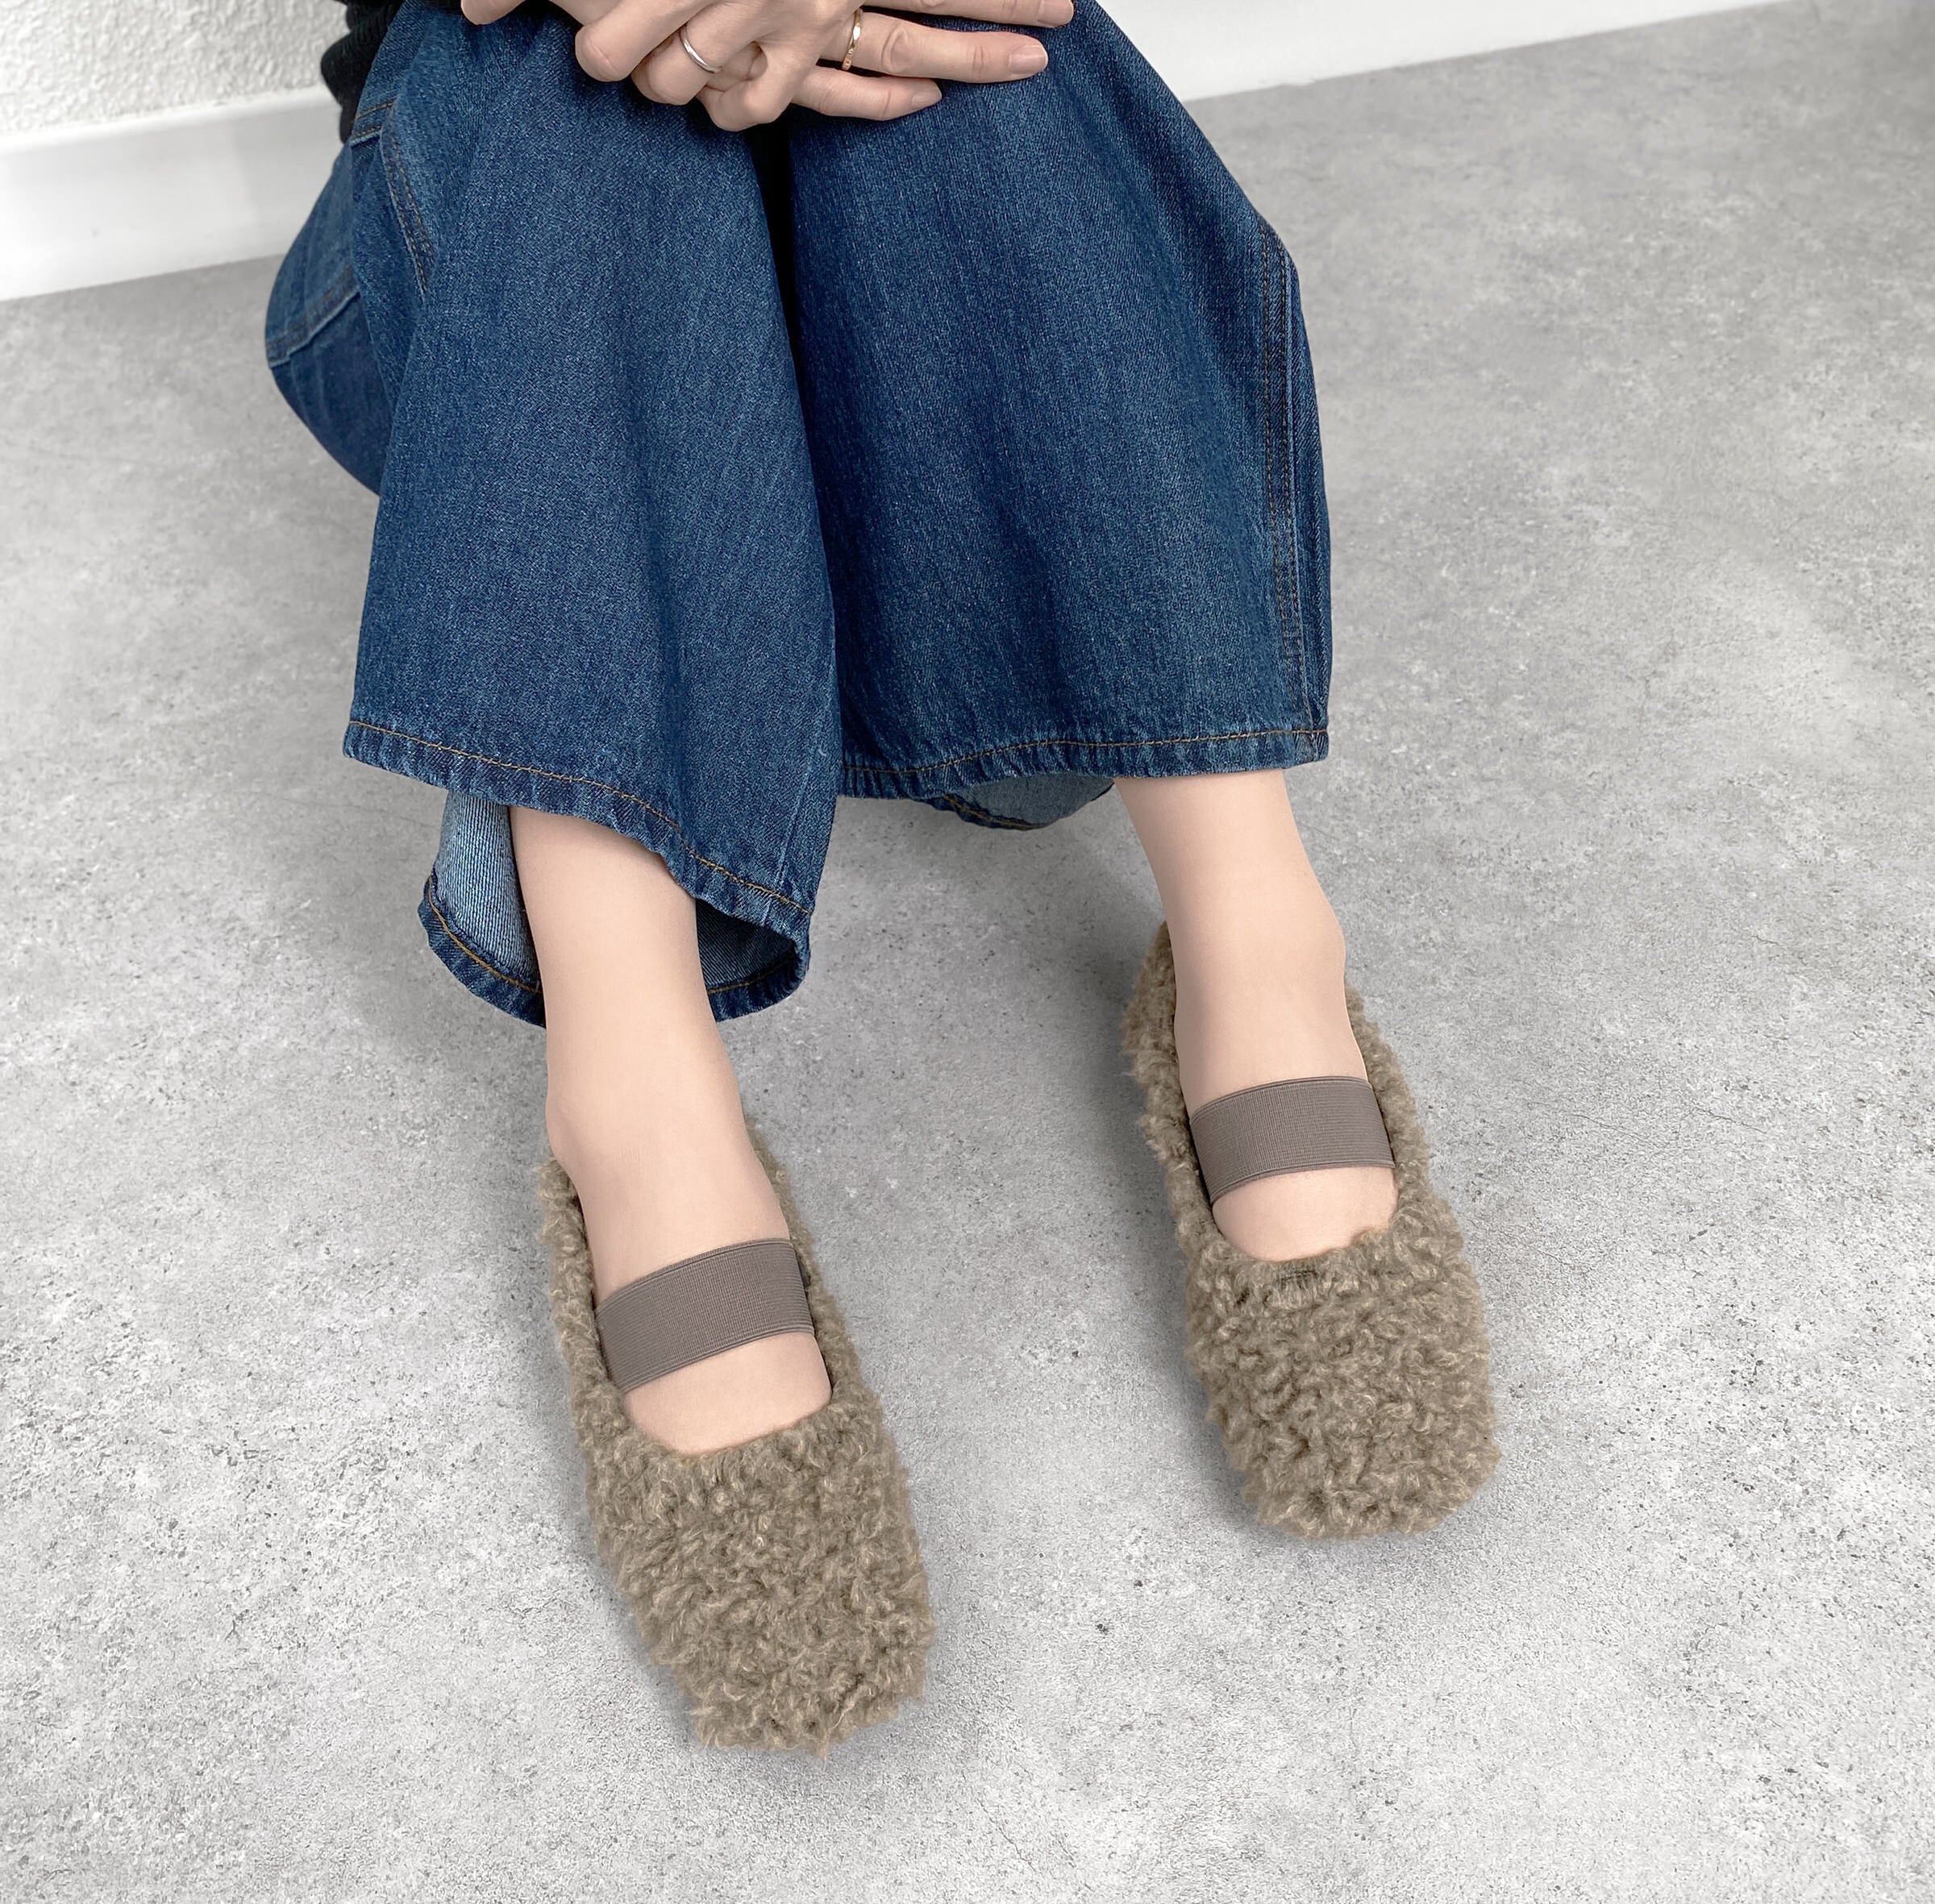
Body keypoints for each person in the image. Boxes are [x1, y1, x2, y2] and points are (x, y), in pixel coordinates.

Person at [268, 0, 1500, 1752]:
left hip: (908, 363)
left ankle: (1254, 934)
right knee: (571, 78)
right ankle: (637, 1084)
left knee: (970, 29)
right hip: (493, 269)